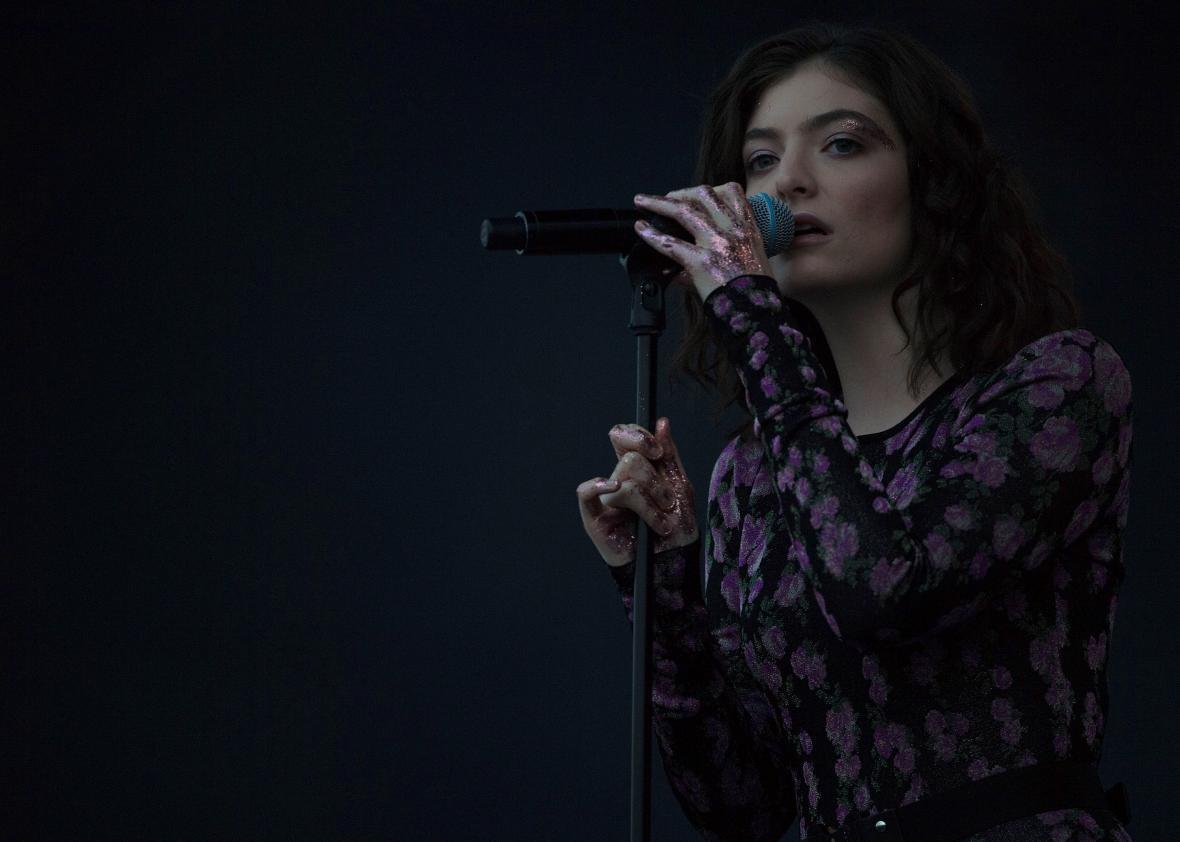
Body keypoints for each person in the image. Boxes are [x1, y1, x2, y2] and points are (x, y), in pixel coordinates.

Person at [575, 21, 1133, 842]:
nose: (787, 183)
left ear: (933, 180)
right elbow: (743, 805)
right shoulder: (755, 472)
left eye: (840, 144)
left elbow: (881, 593)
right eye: (760, 160)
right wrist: (660, 581)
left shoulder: (1058, 386)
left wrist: (749, 312)